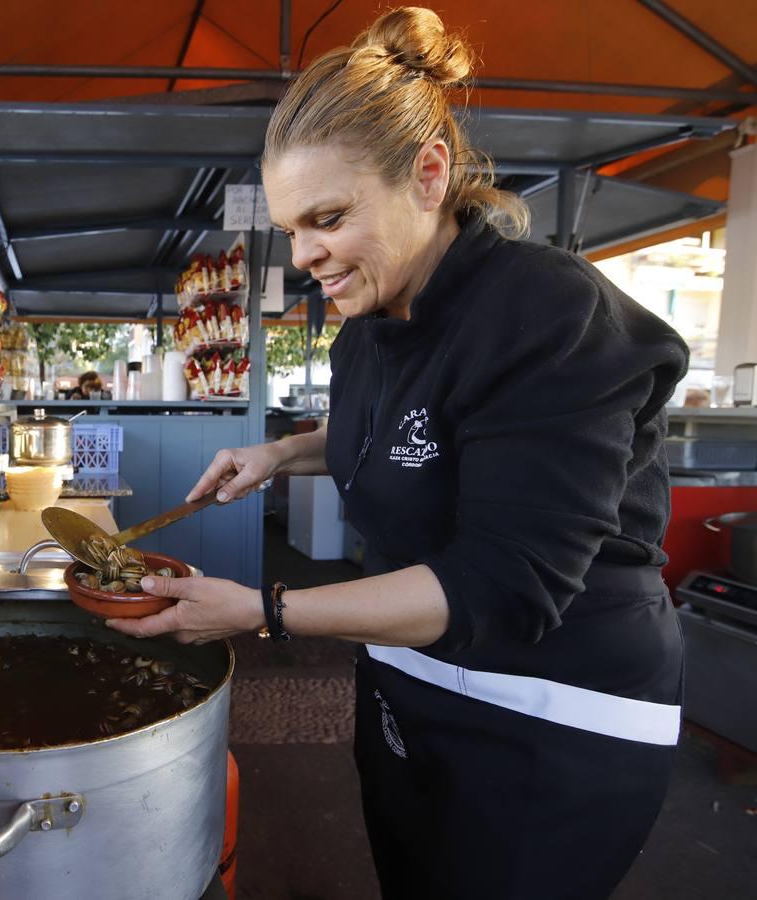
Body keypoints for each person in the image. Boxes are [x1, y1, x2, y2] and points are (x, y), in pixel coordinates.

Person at [107, 8, 687, 899]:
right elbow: (409, 433)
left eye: (329, 218)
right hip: (408, 684)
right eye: (294, 228)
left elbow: (506, 584)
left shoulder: (545, 315)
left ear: (427, 175)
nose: (306, 256)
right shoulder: (369, 327)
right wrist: (288, 452)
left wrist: (262, 609)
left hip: (551, 712)